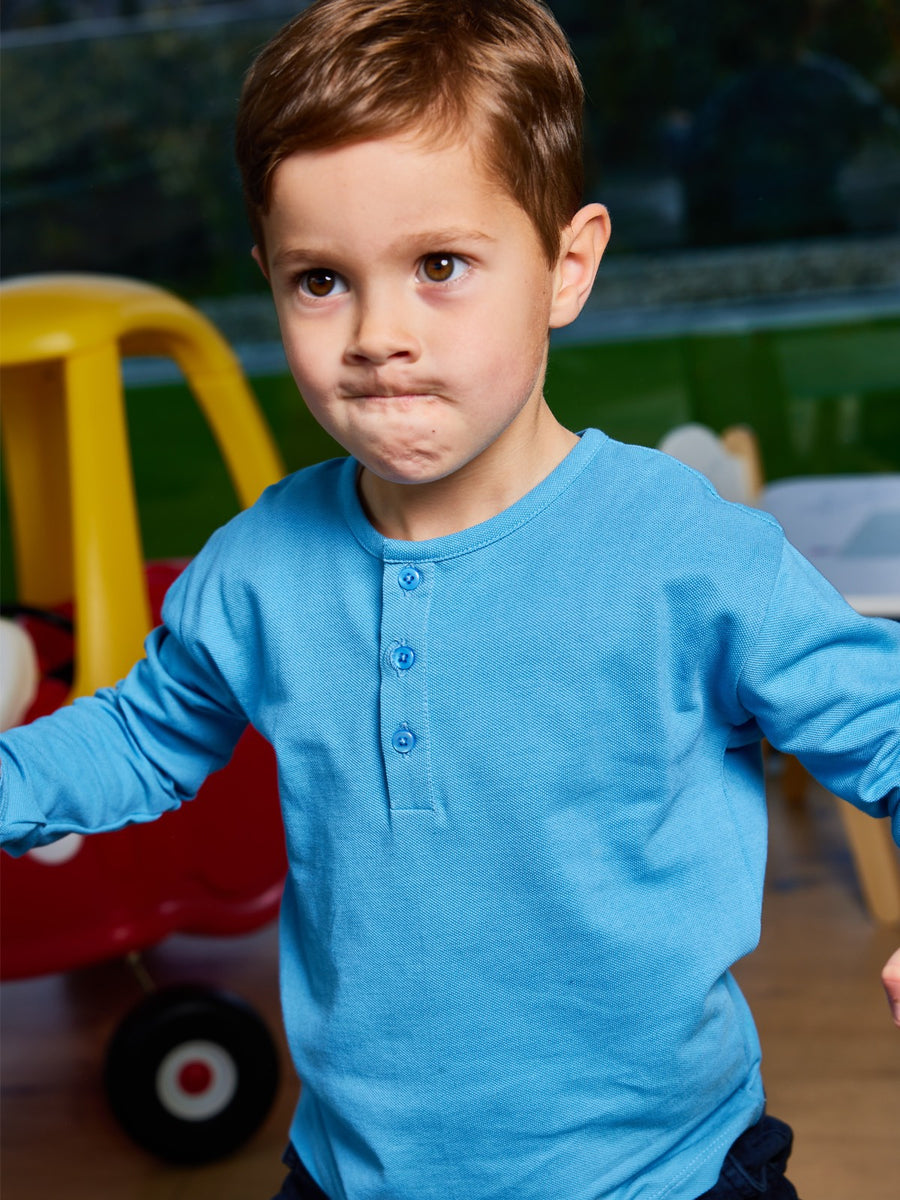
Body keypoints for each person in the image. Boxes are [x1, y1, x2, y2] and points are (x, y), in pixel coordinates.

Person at [1, 3, 898, 1197]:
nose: (378, 336)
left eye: (439, 267)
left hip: (662, 1173)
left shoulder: (687, 554)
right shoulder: (260, 565)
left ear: (567, 266)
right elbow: (139, 737)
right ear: (270, 278)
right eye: (322, 280)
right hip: (353, 1171)